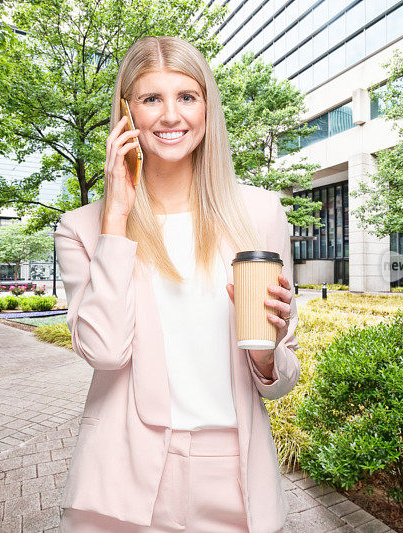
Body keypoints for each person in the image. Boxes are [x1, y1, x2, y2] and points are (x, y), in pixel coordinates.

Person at [54, 35, 301, 533]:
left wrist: (265, 353)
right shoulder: (83, 227)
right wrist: (117, 217)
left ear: (207, 108)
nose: (171, 116)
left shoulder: (258, 213)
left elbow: (281, 375)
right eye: (151, 99)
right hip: (122, 480)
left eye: (186, 97)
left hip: (233, 472)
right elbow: (104, 351)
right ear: (126, 114)